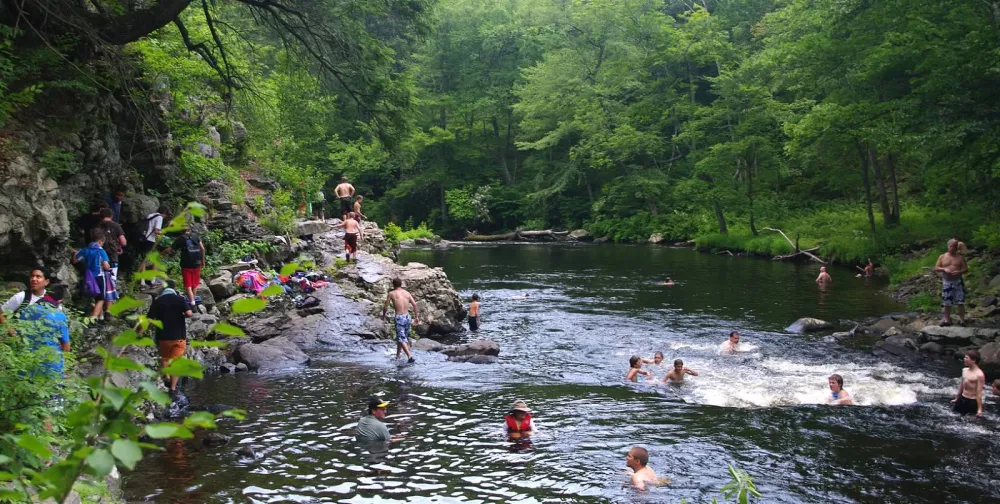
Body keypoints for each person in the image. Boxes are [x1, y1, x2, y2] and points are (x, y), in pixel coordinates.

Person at [16, 284, 70, 379]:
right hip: (50, 365)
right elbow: (66, 346)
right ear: (59, 301)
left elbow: (19, 332)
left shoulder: (27, 310)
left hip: (26, 361)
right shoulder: (60, 316)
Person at [72, 228, 113, 318]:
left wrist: (75, 253)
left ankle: (100, 317)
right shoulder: (101, 251)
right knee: (101, 299)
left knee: (95, 297)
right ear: (101, 241)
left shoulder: (85, 250)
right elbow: (106, 266)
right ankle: (93, 318)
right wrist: (108, 267)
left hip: (88, 277)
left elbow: (75, 261)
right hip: (99, 276)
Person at [163, 227, 205, 307]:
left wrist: (160, 254)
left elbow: (169, 250)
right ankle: (194, 302)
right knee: (194, 284)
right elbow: (202, 249)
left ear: (181, 231)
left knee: (188, 285)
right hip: (197, 264)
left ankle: (192, 304)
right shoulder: (195, 236)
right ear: (190, 230)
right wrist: (202, 261)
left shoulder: (181, 239)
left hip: (186, 265)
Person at [382, 278, 419, 363]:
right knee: (402, 337)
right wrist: (416, 317)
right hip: (407, 317)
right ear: (401, 284)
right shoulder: (407, 293)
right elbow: (415, 305)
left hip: (399, 318)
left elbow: (385, 307)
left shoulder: (391, 293)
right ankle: (397, 356)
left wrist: (383, 317)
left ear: (393, 285)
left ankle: (409, 356)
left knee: (401, 338)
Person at [935, 239, 968, 326]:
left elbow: (966, 269)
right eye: (951, 246)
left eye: (954, 246)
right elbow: (936, 267)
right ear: (948, 246)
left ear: (957, 247)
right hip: (947, 282)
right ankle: (947, 320)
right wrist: (944, 269)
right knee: (946, 302)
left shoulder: (960, 257)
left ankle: (962, 320)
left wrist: (959, 272)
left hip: (958, 281)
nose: (952, 248)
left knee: (960, 301)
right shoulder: (942, 256)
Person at [138, 205, 168, 287]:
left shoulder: (150, 215)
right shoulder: (160, 217)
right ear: (164, 213)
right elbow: (156, 231)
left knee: (144, 259)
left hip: (143, 238)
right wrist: (163, 232)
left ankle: (142, 282)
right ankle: (152, 281)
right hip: (150, 240)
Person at [951, 350, 985, 417]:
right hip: (962, 399)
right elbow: (962, 385)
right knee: (953, 417)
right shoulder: (964, 370)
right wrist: (956, 398)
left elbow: (979, 393)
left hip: (972, 402)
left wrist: (980, 409)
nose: (964, 359)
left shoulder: (979, 375)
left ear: (973, 360)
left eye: (966, 358)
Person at [99, 207, 127, 282]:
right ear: (111, 216)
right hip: (112, 255)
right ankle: (110, 291)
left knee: (101, 278)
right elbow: (123, 242)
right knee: (111, 279)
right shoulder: (116, 226)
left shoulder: (97, 226)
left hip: (99, 255)